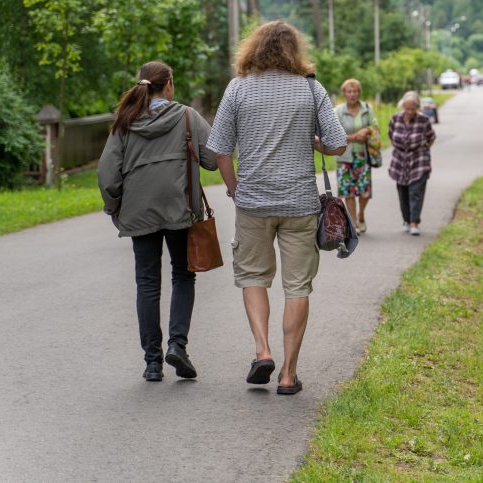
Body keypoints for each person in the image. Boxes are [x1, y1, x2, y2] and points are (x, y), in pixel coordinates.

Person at [207, 20, 346, 396]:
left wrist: (235, 188)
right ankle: (288, 374)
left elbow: (219, 148)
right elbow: (337, 145)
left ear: (254, 48)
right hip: (300, 202)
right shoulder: (311, 88)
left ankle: (262, 351)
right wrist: (311, 141)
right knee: (297, 285)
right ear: (294, 50)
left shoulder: (237, 89)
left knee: (253, 276)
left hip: (253, 201)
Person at [98, 61, 217, 382]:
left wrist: (115, 209)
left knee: (147, 284)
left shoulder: (123, 124)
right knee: (183, 275)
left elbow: (107, 175)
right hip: (181, 209)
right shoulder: (188, 117)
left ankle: (152, 362)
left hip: (139, 213)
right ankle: (177, 345)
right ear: (168, 85)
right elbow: (212, 159)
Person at [388, 90, 436, 236]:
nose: (409, 111)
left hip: (418, 161)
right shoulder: (395, 119)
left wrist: (422, 149)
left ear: (417, 107)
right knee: (403, 193)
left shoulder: (424, 120)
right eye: (407, 108)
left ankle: (415, 222)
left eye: (413, 109)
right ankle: (407, 220)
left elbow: (431, 137)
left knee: (416, 192)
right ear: (402, 106)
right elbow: (391, 135)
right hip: (400, 161)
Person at [333, 78, 378, 233]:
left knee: (365, 191)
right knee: (348, 191)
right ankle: (354, 222)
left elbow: (375, 126)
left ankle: (361, 214)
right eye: (349, 91)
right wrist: (353, 137)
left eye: (355, 91)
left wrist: (367, 131)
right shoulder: (338, 111)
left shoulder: (367, 108)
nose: (352, 94)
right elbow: (333, 133)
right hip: (344, 157)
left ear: (359, 93)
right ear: (344, 93)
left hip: (362, 156)